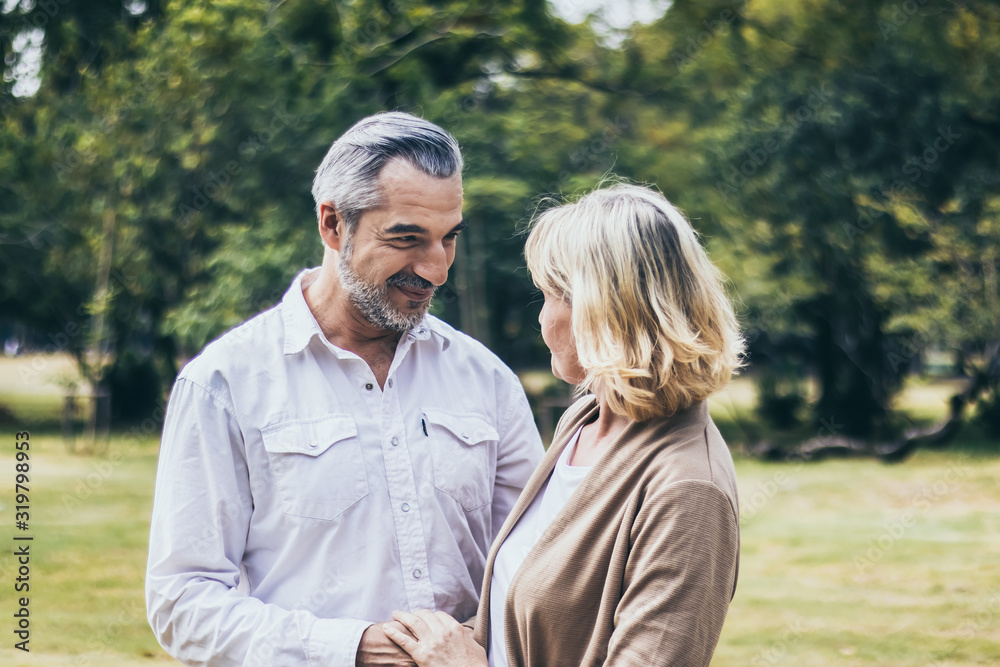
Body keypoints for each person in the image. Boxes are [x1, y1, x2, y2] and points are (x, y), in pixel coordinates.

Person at [145, 112, 544, 667]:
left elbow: (538, 569)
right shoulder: (223, 384)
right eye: (407, 239)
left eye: (448, 239)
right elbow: (182, 604)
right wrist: (354, 649)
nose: (437, 269)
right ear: (333, 224)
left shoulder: (488, 380)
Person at [382, 183, 745, 666]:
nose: (542, 320)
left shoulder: (689, 490)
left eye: (550, 296)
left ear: (605, 311)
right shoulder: (587, 417)